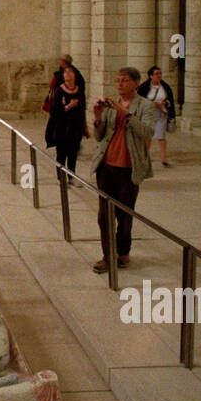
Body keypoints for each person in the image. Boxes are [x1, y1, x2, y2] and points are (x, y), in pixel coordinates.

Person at [89, 66, 155, 272]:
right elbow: (100, 136)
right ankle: (108, 257)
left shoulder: (145, 106)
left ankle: (123, 252)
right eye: (117, 80)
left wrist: (126, 113)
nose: (119, 84)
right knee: (104, 216)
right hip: (107, 167)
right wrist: (98, 117)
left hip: (128, 169)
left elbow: (147, 132)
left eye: (124, 80)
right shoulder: (110, 105)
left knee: (124, 215)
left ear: (136, 83)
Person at [45, 62, 87, 184]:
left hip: (75, 127)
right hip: (62, 127)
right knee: (61, 154)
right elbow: (54, 111)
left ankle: (71, 176)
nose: (68, 74)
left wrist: (84, 127)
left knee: (73, 153)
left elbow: (82, 109)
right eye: (66, 72)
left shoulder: (79, 90)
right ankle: (61, 177)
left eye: (70, 72)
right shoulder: (59, 91)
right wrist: (68, 106)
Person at [138, 66, 176, 167]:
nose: (159, 76)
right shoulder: (144, 87)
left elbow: (170, 100)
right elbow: (139, 100)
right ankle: (144, 158)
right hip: (148, 113)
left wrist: (166, 105)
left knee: (161, 136)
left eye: (160, 73)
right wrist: (153, 104)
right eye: (156, 74)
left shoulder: (165, 86)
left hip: (162, 113)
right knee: (148, 136)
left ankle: (164, 158)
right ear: (151, 76)